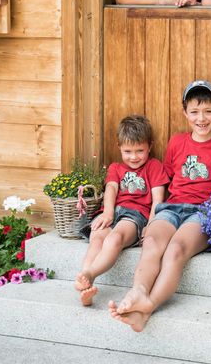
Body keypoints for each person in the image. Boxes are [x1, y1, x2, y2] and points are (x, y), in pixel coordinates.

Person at [108, 80, 211, 331]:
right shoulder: (177, 142)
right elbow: (165, 181)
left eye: (208, 111)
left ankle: (148, 306)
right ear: (185, 112)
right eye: (195, 112)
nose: (202, 118)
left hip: (204, 213)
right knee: (153, 243)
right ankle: (138, 291)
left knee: (175, 248)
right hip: (172, 208)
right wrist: (153, 213)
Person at [74, 115, 169, 306]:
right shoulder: (116, 168)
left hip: (135, 216)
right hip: (113, 211)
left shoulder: (154, 166)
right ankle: (84, 284)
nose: (134, 157)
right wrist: (107, 213)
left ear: (149, 146)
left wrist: (151, 224)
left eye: (139, 151)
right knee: (97, 237)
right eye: (128, 151)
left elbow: (158, 199)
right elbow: (111, 189)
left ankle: (91, 274)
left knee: (114, 238)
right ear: (119, 147)